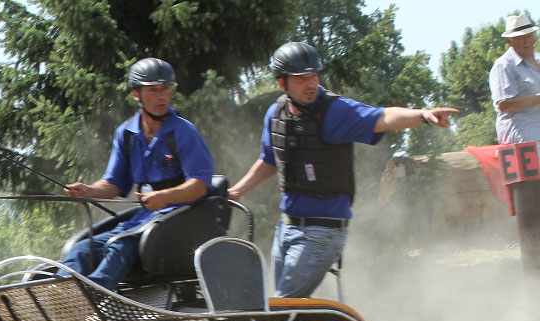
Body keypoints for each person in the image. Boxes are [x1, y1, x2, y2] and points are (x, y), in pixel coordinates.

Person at [227, 42, 458, 298]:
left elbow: (382, 117)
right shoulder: (276, 114)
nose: (311, 83)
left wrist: (423, 115)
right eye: (302, 78)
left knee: (283, 305)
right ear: (282, 83)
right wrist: (237, 191)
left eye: (314, 75)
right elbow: (270, 160)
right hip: (287, 228)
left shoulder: (335, 112)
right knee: (281, 311)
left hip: (321, 232)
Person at [60, 57, 214, 290]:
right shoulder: (126, 134)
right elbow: (113, 183)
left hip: (178, 222)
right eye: (153, 90)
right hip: (141, 223)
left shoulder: (183, 131)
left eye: (165, 89)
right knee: (81, 249)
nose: (161, 96)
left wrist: (166, 197)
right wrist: (89, 190)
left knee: (119, 245)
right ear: (136, 94)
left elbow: (200, 185)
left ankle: (94, 299)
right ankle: (57, 296)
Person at [489, 13, 540, 144]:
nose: (527, 42)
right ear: (508, 41)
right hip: (523, 136)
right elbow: (504, 104)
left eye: (529, 36)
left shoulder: (538, 59)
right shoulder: (504, 65)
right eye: (520, 38)